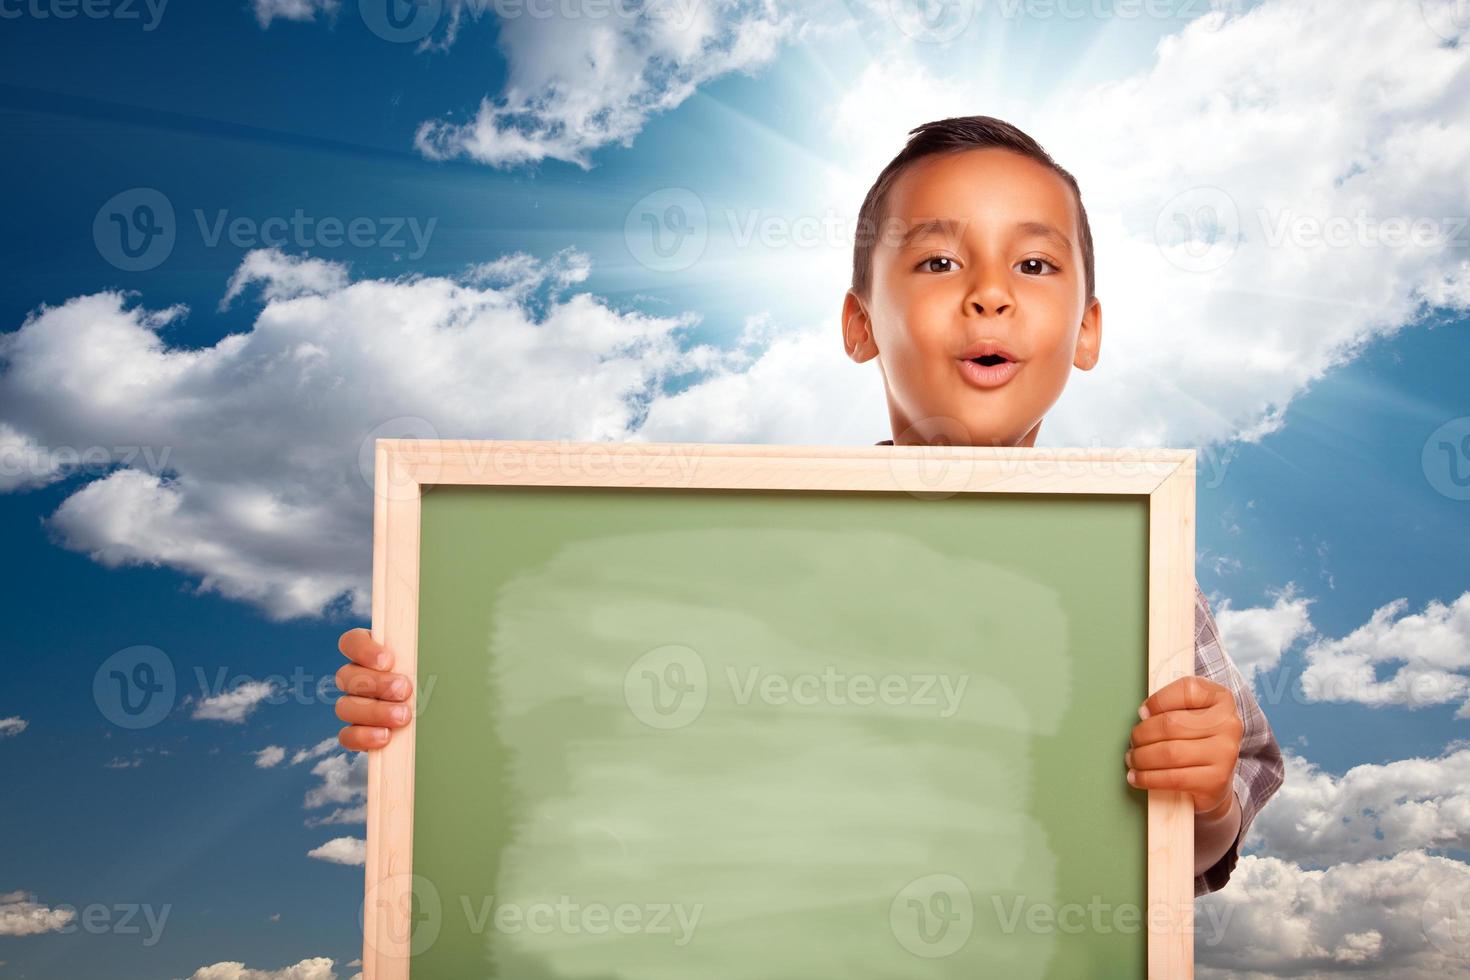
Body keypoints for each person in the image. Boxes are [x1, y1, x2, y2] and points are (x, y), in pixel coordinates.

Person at [335, 114, 1285, 897]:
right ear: (860, 323)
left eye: (1034, 267)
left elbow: (1199, 849)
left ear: (1086, 331)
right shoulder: (756, 552)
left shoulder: (1143, 573)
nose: (990, 296)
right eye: (939, 264)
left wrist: (1204, 799)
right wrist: (427, 704)